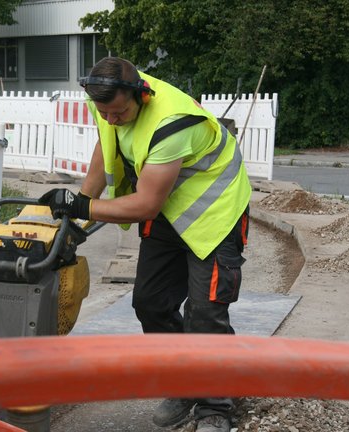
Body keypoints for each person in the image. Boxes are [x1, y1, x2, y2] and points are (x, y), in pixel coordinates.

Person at [39, 57, 251, 432]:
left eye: (119, 112)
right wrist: (73, 221)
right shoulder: (106, 98)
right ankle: (184, 384)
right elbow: (103, 155)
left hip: (214, 215)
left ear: (141, 96)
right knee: (151, 303)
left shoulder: (172, 122)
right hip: (170, 214)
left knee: (206, 313)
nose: (111, 120)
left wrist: (85, 205)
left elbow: (146, 204)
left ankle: (215, 408)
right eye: (105, 113)